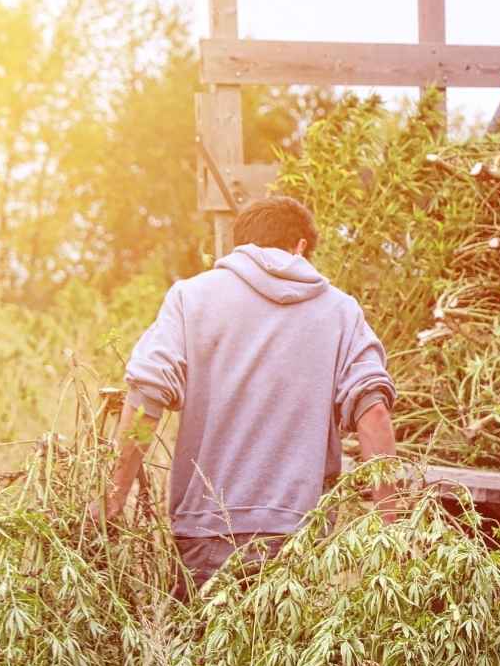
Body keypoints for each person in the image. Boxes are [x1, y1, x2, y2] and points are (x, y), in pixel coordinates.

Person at [101, 195, 399, 586]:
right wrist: (390, 528)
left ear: (239, 244)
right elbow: (373, 412)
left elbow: (147, 399)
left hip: (207, 531)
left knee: (200, 647)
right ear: (301, 247)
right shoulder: (341, 312)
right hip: (299, 538)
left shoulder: (191, 298)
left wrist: (112, 499)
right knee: (288, 647)